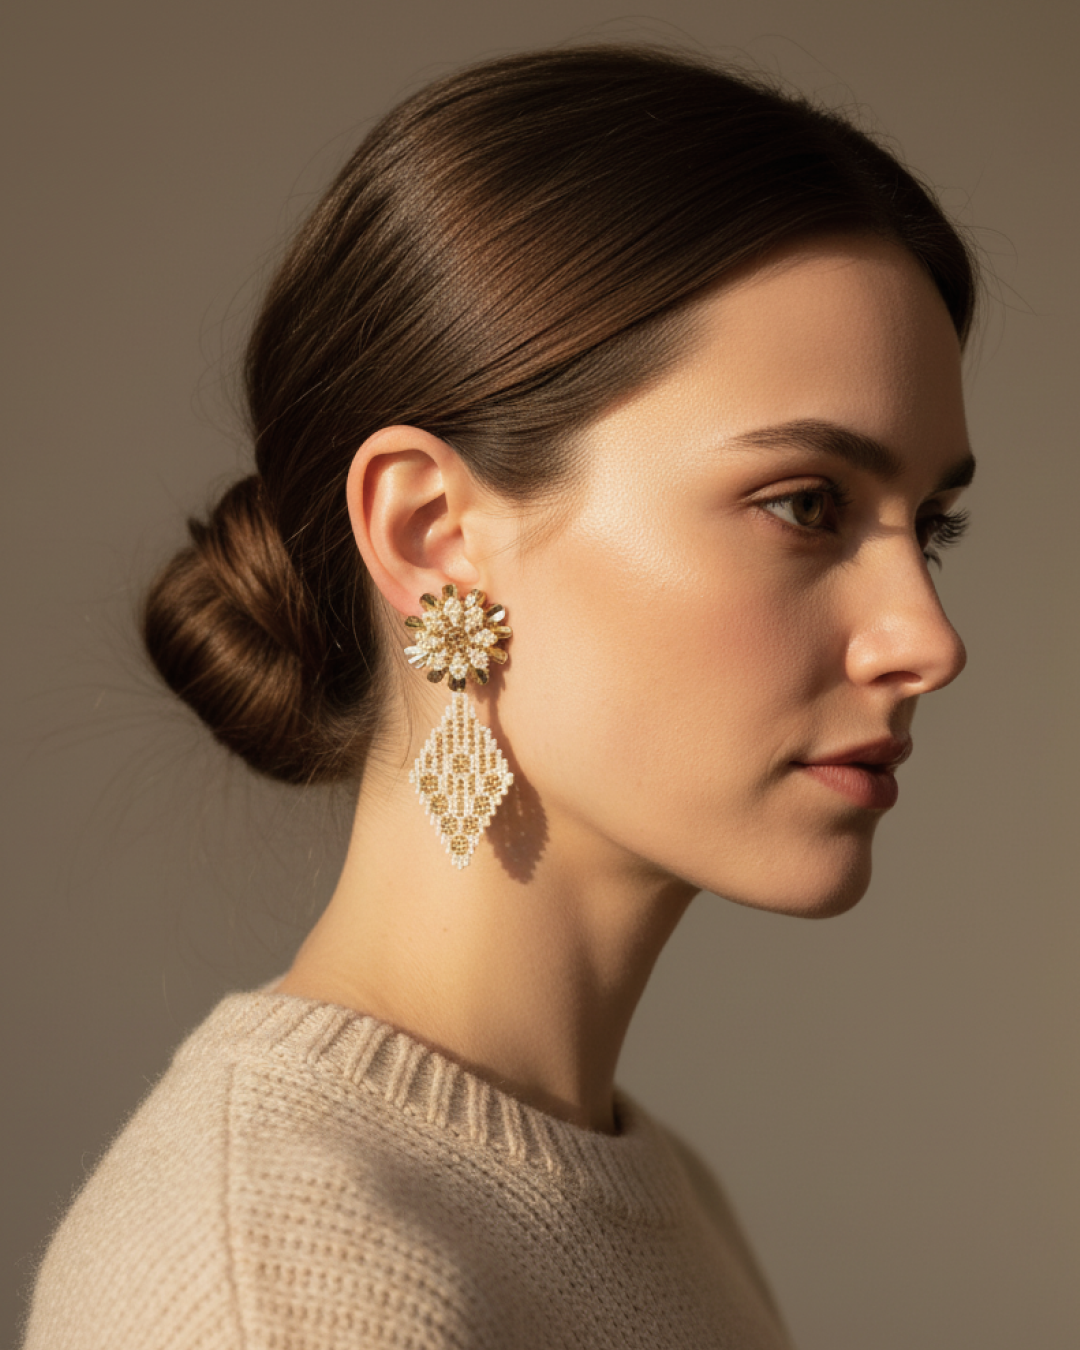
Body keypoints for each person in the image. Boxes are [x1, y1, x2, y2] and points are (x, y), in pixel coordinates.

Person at [22, 43, 977, 1349]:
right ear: (431, 535)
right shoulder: (284, 1289)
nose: (925, 636)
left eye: (930, 525)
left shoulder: (657, 1190)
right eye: (805, 503)